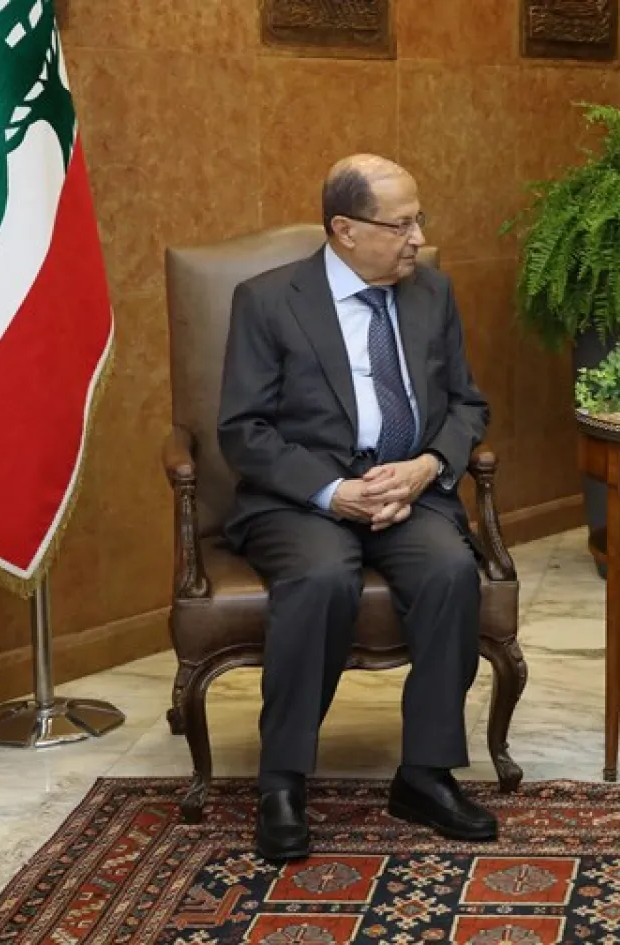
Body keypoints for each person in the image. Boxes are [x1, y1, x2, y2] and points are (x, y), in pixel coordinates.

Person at [218, 154, 495, 861]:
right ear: (344, 229)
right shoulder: (269, 299)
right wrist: (331, 491)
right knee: (320, 577)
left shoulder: (432, 293)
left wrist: (429, 466)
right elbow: (242, 429)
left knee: (449, 572)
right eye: (400, 223)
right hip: (302, 498)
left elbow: (467, 403)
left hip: (408, 489)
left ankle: (425, 774)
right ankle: (281, 783)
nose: (416, 237)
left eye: (419, 220)